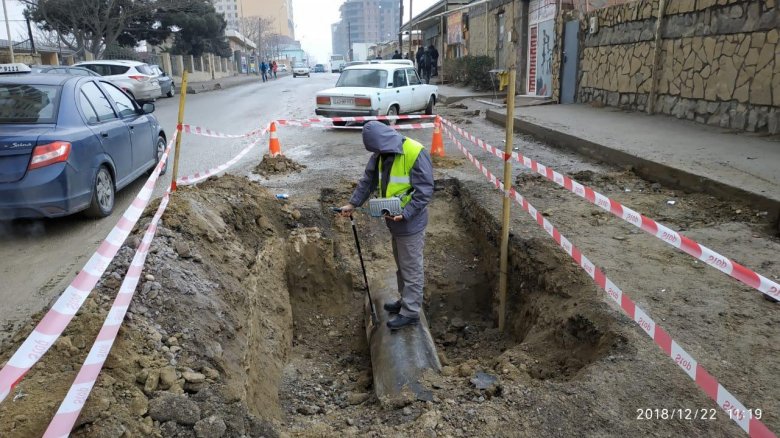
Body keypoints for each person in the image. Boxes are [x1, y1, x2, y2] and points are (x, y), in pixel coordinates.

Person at [338, 122, 434, 331]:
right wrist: (353, 204)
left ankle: (411, 313)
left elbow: (425, 191)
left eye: (378, 150)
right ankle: (404, 301)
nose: (376, 154)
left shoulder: (415, 152)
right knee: (402, 266)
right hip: (394, 221)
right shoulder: (381, 153)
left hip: (411, 223)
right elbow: (368, 181)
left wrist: (406, 213)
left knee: (411, 269)